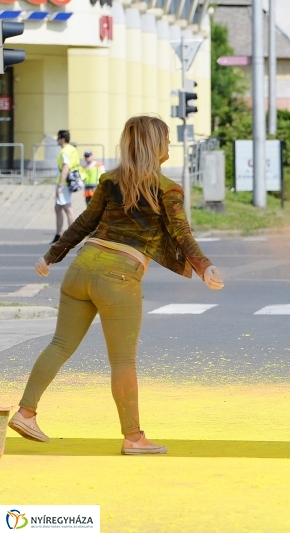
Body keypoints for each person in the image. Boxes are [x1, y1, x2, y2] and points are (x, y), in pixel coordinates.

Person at [8, 116, 225, 455]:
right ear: (156, 146)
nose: (169, 145)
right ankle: (134, 438)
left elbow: (84, 223)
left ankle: (25, 412)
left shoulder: (110, 181)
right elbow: (182, 235)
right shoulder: (167, 189)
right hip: (119, 276)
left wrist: (51, 257)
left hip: (81, 268)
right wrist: (205, 266)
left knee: (60, 344)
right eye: (166, 139)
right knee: (123, 362)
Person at [52, 130, 82, 244]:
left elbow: (65, 167)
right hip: (69, 181)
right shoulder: (72, 149)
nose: (57, 140)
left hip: (64, 183)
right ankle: (58, 234)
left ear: (62, 139)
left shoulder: (65, 151)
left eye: (58, 138)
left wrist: (60, 185)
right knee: (58, 207)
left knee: (67, 207)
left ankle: (72, 234)